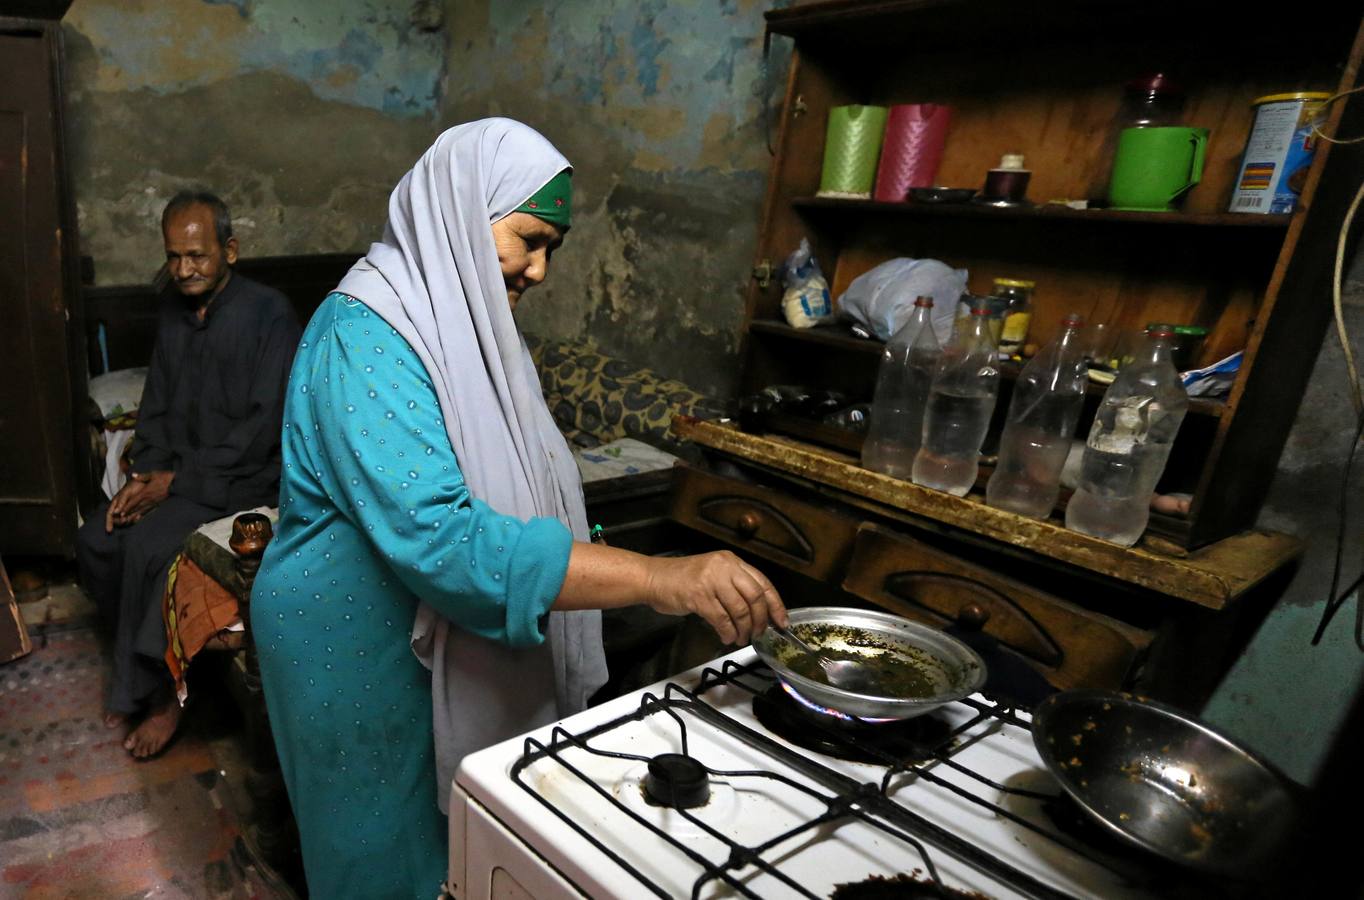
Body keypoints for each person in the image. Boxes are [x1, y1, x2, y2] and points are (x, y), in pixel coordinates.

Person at [251, 119, 788, 899]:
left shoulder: (469, 324)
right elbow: (447, 542)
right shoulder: (362, 335)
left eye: (553, 250)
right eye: (530, 238)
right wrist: (655, 575)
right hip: (351, 645)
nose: (538, 270)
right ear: (463, 212)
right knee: (380, 861)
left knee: (456, 857)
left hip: (411, 630)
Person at [76, 191, 301, 758]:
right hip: (179, 474)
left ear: (230, 250)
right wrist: (143, 474)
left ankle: (165, 699)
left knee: (152, 547)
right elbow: (156, 405)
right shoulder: (175, 313)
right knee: (98, 537)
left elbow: (260, 431)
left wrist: (174, 485)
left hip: (244, 477)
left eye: (197, 256)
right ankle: (134, 664)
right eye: (174, 257)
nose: (184, 269)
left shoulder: (269, 315)